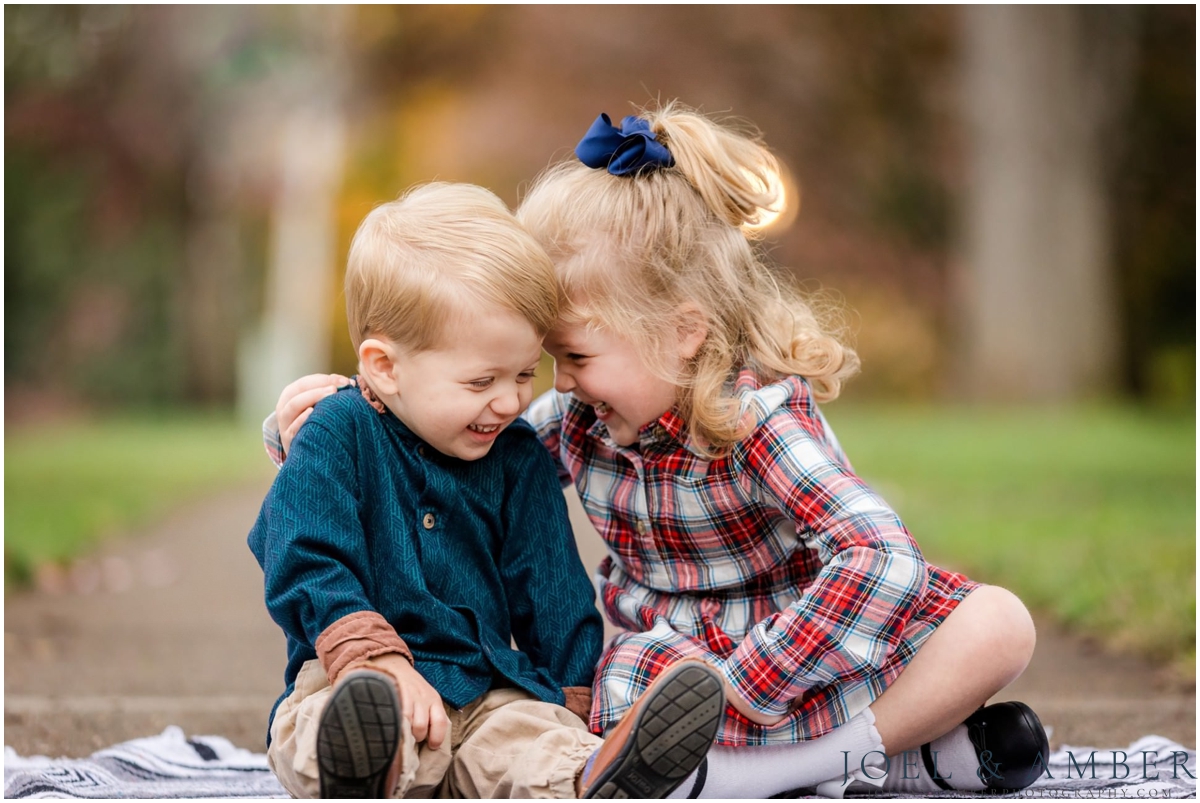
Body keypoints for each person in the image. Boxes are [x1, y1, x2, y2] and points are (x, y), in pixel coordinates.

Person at [269, 105, 1050, 799]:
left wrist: (749, 679)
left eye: (572, 356)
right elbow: (442, 444)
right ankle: (886, 762)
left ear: (681, 331)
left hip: (802, 647)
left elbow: (882, 557)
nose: (552, 383)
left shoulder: (758, 418)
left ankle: (806, 765)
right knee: (623, 695)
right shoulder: (578, 418)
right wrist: (331, 417)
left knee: (1000, 622)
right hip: (668, 672)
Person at [249, 181, 723, 800]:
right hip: (355, 675)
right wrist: (374, 660)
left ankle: (592, 777)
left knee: (530, 743)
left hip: (489, 689)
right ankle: (364, 771)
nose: (509, 401)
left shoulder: (517, 455)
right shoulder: (338, 433)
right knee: (329, 725)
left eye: (526, 373)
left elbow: (552, 586)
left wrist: (570, 697)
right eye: (481, 381)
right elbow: (302, 549)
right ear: (385, 366)